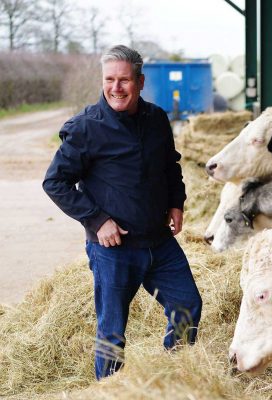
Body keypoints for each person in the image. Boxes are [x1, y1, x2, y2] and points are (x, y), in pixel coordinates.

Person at [43, 45, 202, 380]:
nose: (116, 87)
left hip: (159, 243)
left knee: (187, 305)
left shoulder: (157, 118)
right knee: (112, 333)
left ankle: (178, 375)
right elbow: (55, 182)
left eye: (124, 80)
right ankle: (110, 390)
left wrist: (177, 201)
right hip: (113, 251)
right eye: (109, 79)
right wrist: (97, 221)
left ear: (140, 81)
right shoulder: (86, 128)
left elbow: (170, 165)